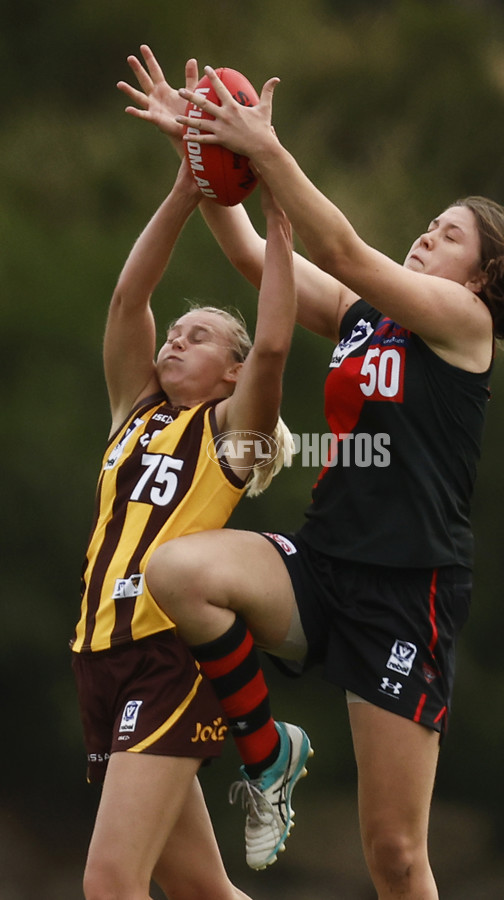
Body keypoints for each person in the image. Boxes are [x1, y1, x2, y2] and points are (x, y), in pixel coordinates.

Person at [120, 50, 504, 899]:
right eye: (429, 224)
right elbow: (257, 258)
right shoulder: (369, 319)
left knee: (395, 858)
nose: (424, 235)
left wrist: (262, 147)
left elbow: (335, 242)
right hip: (324, 564)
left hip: (409, 587)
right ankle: (268, 755)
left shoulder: (460, 322)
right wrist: (202, 155)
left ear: (478, 275)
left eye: (448, 235)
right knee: (178, 572)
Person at [70, 142, 309, 899]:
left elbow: (272, 345)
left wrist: (278, 231)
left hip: (164, 657)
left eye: (197, 336)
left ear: (231, 373)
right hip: (98, 655)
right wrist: (183, 188)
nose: (174, 339)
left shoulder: (228, 435)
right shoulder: (133, 413)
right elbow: (126, 301)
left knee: (109, 883)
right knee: (205, 889)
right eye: (175, 333)